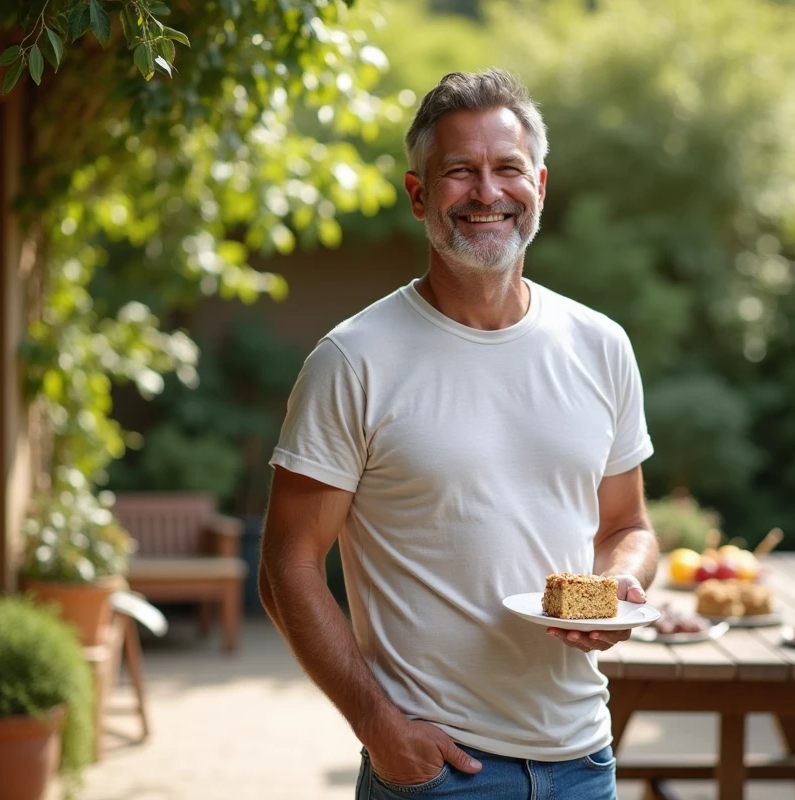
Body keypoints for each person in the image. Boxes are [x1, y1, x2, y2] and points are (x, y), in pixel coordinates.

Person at [258, 68, 659, 800]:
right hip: (440, 771)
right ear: (419, 195)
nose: (486, 192)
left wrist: (618, 587)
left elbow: (627, 526)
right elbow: (287, 568)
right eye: (459, 172)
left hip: (584, 759)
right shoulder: (354, 359)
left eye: (508, 168)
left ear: (539, 186)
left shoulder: (601, 345)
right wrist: (380, 728)